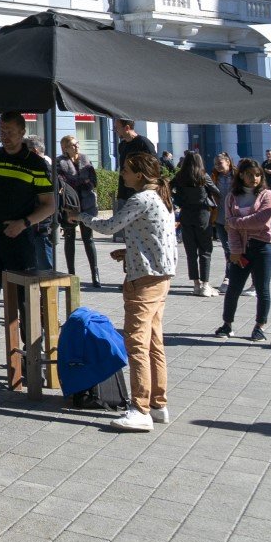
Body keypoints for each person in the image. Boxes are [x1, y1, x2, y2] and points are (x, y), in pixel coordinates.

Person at [71, 151, 178, 432]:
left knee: (137, 344)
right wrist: (129, 251)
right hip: (160, 276)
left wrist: (80, 216)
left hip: (143, 280)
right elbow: (153, 237)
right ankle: (158, 404)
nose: (122, 175)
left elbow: (109, 226)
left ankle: (140, 408)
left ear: (140, 175)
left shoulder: (140, 198)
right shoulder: (162, 197)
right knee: (154, 343)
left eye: (126, 171)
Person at [0, 113, 55, 372]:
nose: (6, 136)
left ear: (23, 131)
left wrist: (25, 223)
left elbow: (49, 205)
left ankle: (30, 359)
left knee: (24, 301)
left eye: (11, 131)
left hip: (20, 240)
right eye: (2, 130)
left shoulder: (36, 163)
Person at [215, 158, 271, 341]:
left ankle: (259, 326)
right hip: (240, 250)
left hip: (262, 247)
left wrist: (234, 222)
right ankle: (227, 325)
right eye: (250, 174)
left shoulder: (267, 195)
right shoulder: (232, 197)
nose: (254, 178)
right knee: (233, 288)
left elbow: (260, 220)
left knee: (262, 289)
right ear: (241, 175)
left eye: (257, 175)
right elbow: (231, 230)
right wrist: (234, 250)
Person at [170, 150, 218, 297]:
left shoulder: (180, 176)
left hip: (186, 215)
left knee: (191, 252)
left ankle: (196, 284)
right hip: (202, 215)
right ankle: (205, 284)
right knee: (205, 250)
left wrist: (178, 198)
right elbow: (216, 191)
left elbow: (168, 187)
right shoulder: (203, 176)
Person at [55, 135, 100, 286]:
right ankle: (71, 274)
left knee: (89, 239)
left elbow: (94, 181)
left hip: (87, 205)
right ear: (64, 148)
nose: (76, 147)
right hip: (70, 206)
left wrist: (82, 182)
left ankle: (95, 275)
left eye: (77, 144)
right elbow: (63, 183)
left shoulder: (85, 159)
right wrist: (82, 181)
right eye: (72, 145)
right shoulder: (60, 162)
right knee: (70, 239)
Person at [27, 138, 59, 271]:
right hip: (34, 224)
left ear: (34, 151)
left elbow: (47, 201)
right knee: (34, 268)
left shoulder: (44, 169)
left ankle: (48, 291)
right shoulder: (36, 168)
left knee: (45, 269)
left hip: (41, 226)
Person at [210, 152, 237, 294]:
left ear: (228, 162)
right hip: (219, 218)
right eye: (216, 164)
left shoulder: (237, 175)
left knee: (234, 248)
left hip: (235, 219)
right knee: (227, 249)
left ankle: (231, 276)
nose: (218, 166)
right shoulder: (215, 177)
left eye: (220, 163)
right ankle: (229, 276)